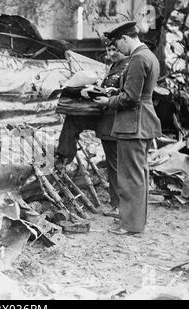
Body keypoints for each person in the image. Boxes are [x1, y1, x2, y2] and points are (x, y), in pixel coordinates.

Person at [94, 21, 161, 235]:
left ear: (125, 38)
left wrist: (107, 102)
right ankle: (136, 222)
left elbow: (130, 98)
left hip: (133, 123)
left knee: (129, 176)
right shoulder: (149, 55)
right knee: (139, 174)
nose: (117, 49)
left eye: (116, 43)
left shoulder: (138, 58)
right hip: (143, 120)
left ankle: (130, 225)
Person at [55, 46, 129, 213]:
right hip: (105, 114)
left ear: (124, 48)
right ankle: (64, 156)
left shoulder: (130, 66)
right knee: (74, 118)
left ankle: (119, 206)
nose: (110, 54)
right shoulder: (115, 66)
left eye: (114, 50)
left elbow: (128, 95)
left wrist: (106, 94)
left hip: (116, 120)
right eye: (109, 50)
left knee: (115, 165)